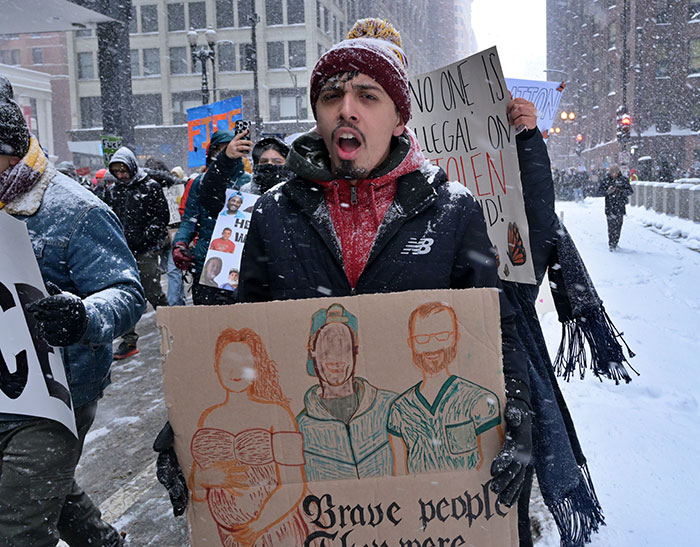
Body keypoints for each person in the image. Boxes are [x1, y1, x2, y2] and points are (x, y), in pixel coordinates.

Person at [228, 18, 532, 511]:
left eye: (367, 96)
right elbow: (243, 336)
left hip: (420, 489)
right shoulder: (272, 213)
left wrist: (516, 402)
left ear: (398, 117)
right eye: (331, 97)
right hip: (314, 481)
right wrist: (194, 415)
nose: (346, 109)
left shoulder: (453, 210)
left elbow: (495, 325)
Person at [0, 76, 145, 546]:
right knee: (51, 496)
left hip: (58, 396)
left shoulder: (75, 210)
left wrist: (82, 316)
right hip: (3, 389)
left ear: (10, 150)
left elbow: (125, 292)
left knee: (17, 525)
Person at [188, 328, 310, 545]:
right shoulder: (208, 418)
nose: (235, 371)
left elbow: (296, 483)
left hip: (277, 531)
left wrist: (256, 527)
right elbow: (196, 489)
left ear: (257, 366)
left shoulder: (279, 413)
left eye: (245, 362)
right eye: (227, 363)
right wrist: (204, 479)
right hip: (228, 535)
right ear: (216, 367)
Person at [388, 302, 502, 475]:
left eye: (442, 336)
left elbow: (489, 465)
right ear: (411, 343)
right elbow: (399, 472)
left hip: (468, 500)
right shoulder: (400, 410)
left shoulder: (480, 401)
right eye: (422, 338)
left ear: (456, 337)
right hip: (420, 501)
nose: (432, 346)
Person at [297, 304, 397, 481]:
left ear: (355, 351)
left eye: (343, 348)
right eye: (327, 350)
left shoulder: (390, 406)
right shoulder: (300, 427)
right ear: (313, 353)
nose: (336, 359)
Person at [171, 130, 251, 305]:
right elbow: (189, 220)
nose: (226, 154)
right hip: (205, 263)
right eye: (220, 151)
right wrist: (180, 243)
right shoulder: (199, 183)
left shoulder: (249, 183)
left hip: (239, 266)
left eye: (230, 149)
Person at [107, 147, 170, 358]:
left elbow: (161, 217)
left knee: (153, 290)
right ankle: (129, 340)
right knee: (125, 295)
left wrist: (145, 238)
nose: (120, 175)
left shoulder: (150, 187)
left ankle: (171, 327)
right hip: (121, 251)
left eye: (123, 170)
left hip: (144, 251)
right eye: (116, 171)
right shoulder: (114, 190)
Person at [598, 164, 633, 251]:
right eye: (612, 173)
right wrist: (608, 192)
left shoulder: (623, 180)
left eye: (615, 173)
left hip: (620, 206)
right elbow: (599, 192)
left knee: (618, 226)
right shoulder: (606, 180)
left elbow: (630, 191)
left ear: (618, 172)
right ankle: (611, 244)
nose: (614, 175)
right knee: (611, 226)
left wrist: (621, 191)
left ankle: (616, 241)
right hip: (609, 206)